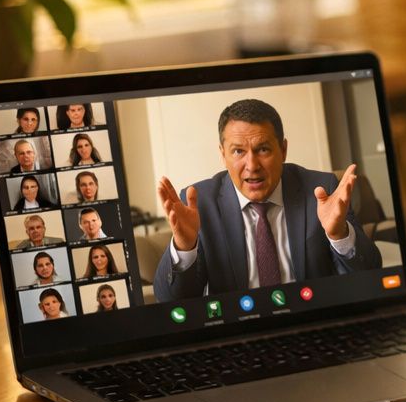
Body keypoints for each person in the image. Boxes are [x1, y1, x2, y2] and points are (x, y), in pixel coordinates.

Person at [152, 98, 382, 300]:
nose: (252, 166)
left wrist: (338, 234)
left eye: (263, 149)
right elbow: (170, 299)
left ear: (283, 150)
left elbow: (370, 273)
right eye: (238, 151)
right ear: (223, 154)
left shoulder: (322, 190)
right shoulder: (200, 202)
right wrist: (184, 246)